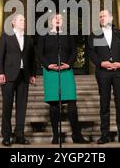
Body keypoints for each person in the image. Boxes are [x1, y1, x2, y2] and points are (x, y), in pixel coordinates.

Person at [36, 14, 90, 144]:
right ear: (51, 21)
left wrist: (69, 64)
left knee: (72, 103)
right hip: (50, 71)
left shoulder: (68, 35)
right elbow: (39, 52)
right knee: (54, 104)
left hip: (66, 70)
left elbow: (74, 52)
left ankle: (76, 135)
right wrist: (48, 65)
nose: (58, 19)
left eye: (61, 18)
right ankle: (56, 136)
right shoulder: (44, 35)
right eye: (55, 18)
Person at [87, 9, 120, 144]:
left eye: (105, 16)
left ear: (111, 18)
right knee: (104, 103)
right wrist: (101, 63)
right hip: (103, 72)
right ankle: (104, 134)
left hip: (119, 72)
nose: (102, 18)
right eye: (100, 16)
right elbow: (91, 52)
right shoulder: (95, 35)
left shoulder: (119, 33)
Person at [0, 14, 36, 146]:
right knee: (7, 106)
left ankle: (20, 135)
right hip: (8, 76)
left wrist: (33, 74)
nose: (24, 22)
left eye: (24, 20)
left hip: (24, 76)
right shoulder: (6, 36)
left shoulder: (29, 39)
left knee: (22, 107)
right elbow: (0, 56)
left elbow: (32, 58)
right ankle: (6, 136)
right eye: (21, 20)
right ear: (13, 23)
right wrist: (0, 72)